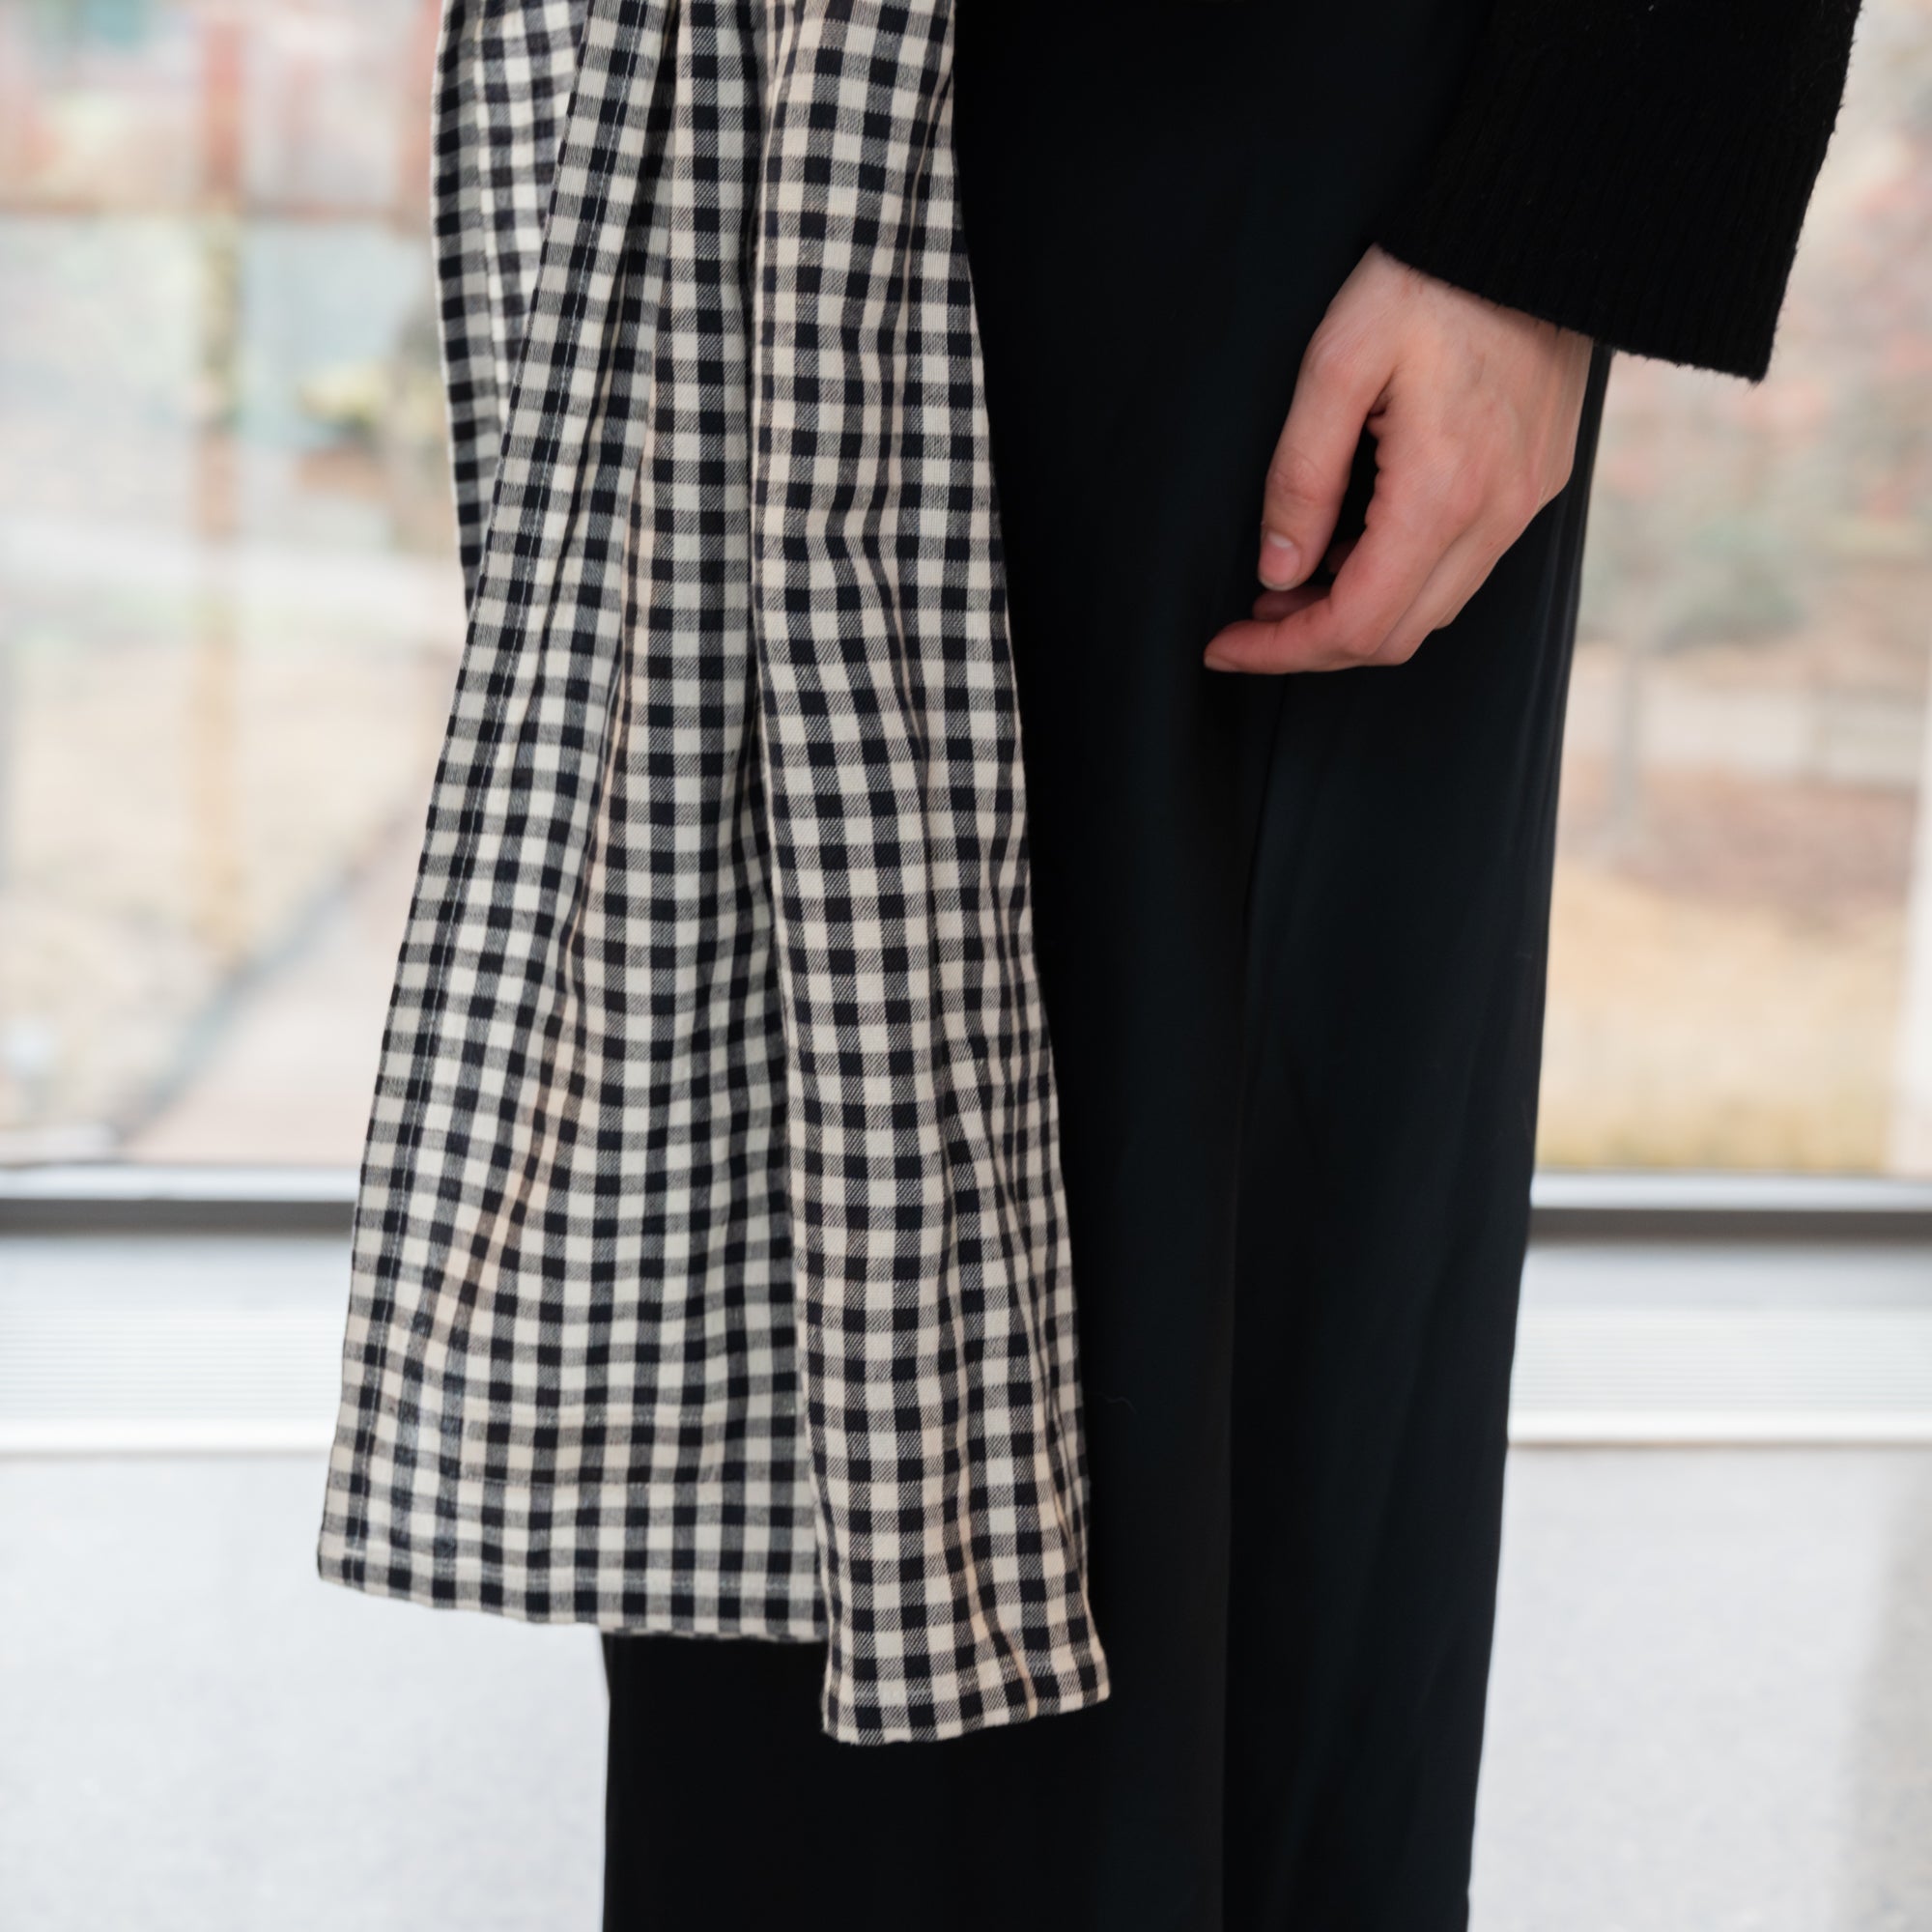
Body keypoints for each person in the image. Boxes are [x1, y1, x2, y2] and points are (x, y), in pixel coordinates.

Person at [317, 1, 1863, 1927]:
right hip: (740, 133)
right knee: (781, 1510)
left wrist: (1555, 214)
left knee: (1249, 1465)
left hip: (1289, 168)